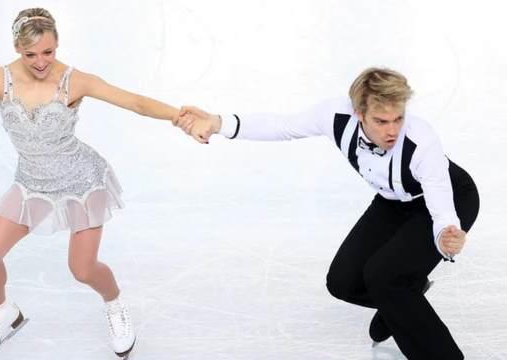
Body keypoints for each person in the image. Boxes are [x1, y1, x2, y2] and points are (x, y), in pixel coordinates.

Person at [0, 8, 207, 360]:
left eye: (48, 52)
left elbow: (134, 102)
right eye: (31, 54)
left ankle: (114, 303)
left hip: (80, 182)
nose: (41, 61)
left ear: (57, 45)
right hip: (32, 184)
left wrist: (180, 118)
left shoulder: (74, 80)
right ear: (17, 47)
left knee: (82, 270)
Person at [172, 67, 480, 360]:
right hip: (391, 201)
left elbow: (442, 204)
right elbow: (281, 126)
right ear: (359, 113)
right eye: (381, 121)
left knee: (385, 277)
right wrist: (217, 122)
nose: (393, 130)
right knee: (343, 282)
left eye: (399, 119)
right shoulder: (335, 115)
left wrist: (446, 235)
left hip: (448, 198)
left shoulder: (421, 141)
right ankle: (405, 297)